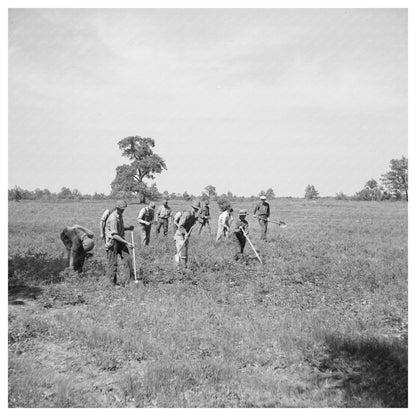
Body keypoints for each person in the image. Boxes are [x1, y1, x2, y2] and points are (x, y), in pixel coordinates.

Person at [105, 200, 135, 286]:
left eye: (124, 209)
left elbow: (119, 229)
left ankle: (131, 281)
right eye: (121, 209)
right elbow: (114, 235)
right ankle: (111, 284)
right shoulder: (113, 218)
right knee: (113, 263)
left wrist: (128, 228)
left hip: (120, 240)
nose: (123, 210)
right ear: (117, 208)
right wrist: (126, 242)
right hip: (113, 242)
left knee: (128, 259)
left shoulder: (120, 215)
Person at [174, 201, 200, 268]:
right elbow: (180, 226)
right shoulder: (186, 214)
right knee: (182, 251)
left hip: (185, 235)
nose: (196, 210)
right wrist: (185, 233)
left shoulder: (193, 216)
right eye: (195, 208)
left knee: (184, 252)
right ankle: (180, 268)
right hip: (180, 234)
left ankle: (182, 267)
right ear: (192, 207)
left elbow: (190, 225)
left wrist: (195, 220)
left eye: (197, 209)